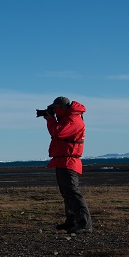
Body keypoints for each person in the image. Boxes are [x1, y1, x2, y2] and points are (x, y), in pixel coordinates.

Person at [43, 96, 93, 233]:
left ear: (62, 107)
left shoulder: (73, 119)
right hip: (63, 159)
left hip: (69, 160)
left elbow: (57, 132)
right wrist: (52, 119)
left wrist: (51, 120)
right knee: (67, 193)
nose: (54, 110)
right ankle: (72, 221)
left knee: (73, 192)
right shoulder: (68, 119)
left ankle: (84, 224)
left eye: (55, 108)